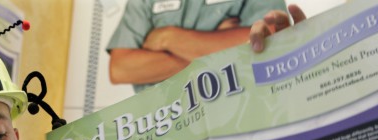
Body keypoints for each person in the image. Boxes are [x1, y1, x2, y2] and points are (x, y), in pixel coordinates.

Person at [107, 0, 288, 92]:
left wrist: (168, 38)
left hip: (237, 117)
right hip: (166, 129)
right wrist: (218, 44)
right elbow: (120, 68)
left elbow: (266, 40)